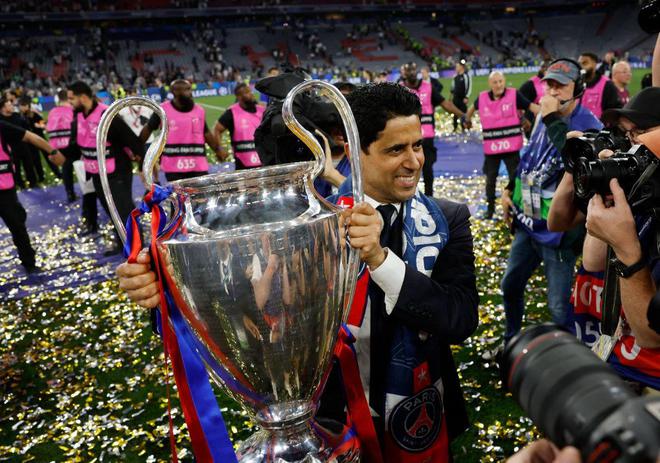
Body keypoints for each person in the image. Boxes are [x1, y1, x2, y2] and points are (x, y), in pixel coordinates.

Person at [116, 82, 479, 461]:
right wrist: (163, 291)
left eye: (417, 145)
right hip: (334, 423)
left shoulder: (447, 219)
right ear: (354, 150)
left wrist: (380, 260)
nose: (415, 161)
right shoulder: (309, 224)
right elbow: (248, 316)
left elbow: (461, 319)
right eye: (395, 149)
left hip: (426, 413)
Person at [548, 87, 660, 392]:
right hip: (621, 356)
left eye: (640, 132)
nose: (631, 142)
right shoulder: (635, 191)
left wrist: (625, 247)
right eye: (625, 133)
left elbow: (650, 334)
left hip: (649, 370)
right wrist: (581, 167)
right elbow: (591, 257)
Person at [500, 58, 603, 343]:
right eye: (549, 85)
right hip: (528, 223)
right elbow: (530, 158)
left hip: (558, 234)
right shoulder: (544, 116)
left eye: (561, 85)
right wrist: (509, 189)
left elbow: (579, 168)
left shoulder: (589, 126)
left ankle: (571, 357)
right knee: (510, 285)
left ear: (578, 89)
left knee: (559, 308)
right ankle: (511, 339)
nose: (553, 91)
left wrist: (551, 119)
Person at [52, 81, 145, 255]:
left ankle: (137, 249)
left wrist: (143, 164)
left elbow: (131, 140)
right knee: (111, 210)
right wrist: (59, 154)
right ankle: (123, 243)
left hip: (117, 172)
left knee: (124, 210)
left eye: (72, 99)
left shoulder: (107, 115)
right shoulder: (78, 117)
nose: (69, 103)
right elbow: (76, 146)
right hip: (97, 173)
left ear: (83, 97)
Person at [464, 71, 540, 219]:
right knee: (490, 179)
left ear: (504, 81)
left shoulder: (514, 94)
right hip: (492, 148)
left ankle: (516, 207)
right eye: (495, 82)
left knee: (515, 178)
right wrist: (467, 119)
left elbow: (531, 106)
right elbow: (471, 109)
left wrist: (548, 113)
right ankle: (490, 210)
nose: (498, 85)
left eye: (500, 81)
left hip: (511, 147)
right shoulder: (482, 98)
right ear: (490, 84)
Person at [0, 118, 64, 273]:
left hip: (4, 191)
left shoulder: (2, 127)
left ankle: (29, 263)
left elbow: (30, 136)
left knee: (17, 225)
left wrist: (53, 151)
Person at [400, 62, 465, 197]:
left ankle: (429, 197)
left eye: (413, 70)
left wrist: (463, 115)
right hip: (407, 138)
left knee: (428, 168)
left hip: (426, 136)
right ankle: (410, 196)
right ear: (404, 74)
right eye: (408, 71)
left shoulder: (428, 87)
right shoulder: (400, 89)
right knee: (409, 168)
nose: (411, 73)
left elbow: (445, 104)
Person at [141, 79, 223, 182]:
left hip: (198, 164)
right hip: (173, 166)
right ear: (173, 92)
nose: (187, 92)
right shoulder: (163, 110)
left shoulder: (199, 111)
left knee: (200, 192)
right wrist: (136, 148)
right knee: (179, 192)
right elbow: (148, 128)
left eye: (188, 89)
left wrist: (218, 150)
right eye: (182, 90)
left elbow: (206, 133)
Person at [214, 83, 265, 170]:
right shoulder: (232, 112)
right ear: (239, 97)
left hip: (263, 161)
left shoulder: (262, 110)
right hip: (242, 164)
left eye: (250, 91)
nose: (251, 94)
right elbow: (217, 129)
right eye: (247, 92)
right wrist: (220, 149)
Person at [18, 96, 62, 183]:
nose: (22, 108)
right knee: (36, 160)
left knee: (48, 157)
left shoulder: (34, 114)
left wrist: (39, 125)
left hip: (40, 139)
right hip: (30, 142)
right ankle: (41, 176)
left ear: (28, 105)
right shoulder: (21, 117)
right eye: (21, 106)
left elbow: (43, 123)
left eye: (23, 105)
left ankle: (58, 173)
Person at [0, 96, 38, 188]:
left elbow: (27, 129)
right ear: (3, 108)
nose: (12, 106)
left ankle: (33, 183)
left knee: (29, 165)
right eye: (9, 105)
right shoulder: (1, 120)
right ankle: (20, 184)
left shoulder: (17, 116)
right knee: (15, 168)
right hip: (10, 148)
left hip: (23, 145)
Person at [46, 89, 77, 202]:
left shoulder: (52, 112)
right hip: (73, 145)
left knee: (66, 169)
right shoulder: (73, 110)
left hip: (58, 146)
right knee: (83, 168)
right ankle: (89, 193)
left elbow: (49, 130)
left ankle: (70, 193)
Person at [577, 52, 622, 120]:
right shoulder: (575, 83)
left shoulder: (607, 85)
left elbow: (614, 110)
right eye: (579, 64)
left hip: (598, 125)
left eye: (585, 63)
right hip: (575, 125)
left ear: (594, 64)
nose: (581, 67)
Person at [519, 59, 550, 137]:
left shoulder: (553, 82)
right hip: (534, 124)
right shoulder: (530, 84)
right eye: (544, 67)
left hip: (549, 121)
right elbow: (519, 102)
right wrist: (523, 119)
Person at [451, 59, 471, 132]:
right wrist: (451, 96)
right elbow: (452, 87)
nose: (456, 68)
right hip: (455, 98)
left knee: (463, 113)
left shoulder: (466, 76)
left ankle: (464, 128)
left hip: (462, 99)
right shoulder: (455, 76)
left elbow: (469, 86)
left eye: (457, 66)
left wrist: (466, 97)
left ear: (461, 67)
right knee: (455, 113)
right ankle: (455, 128)